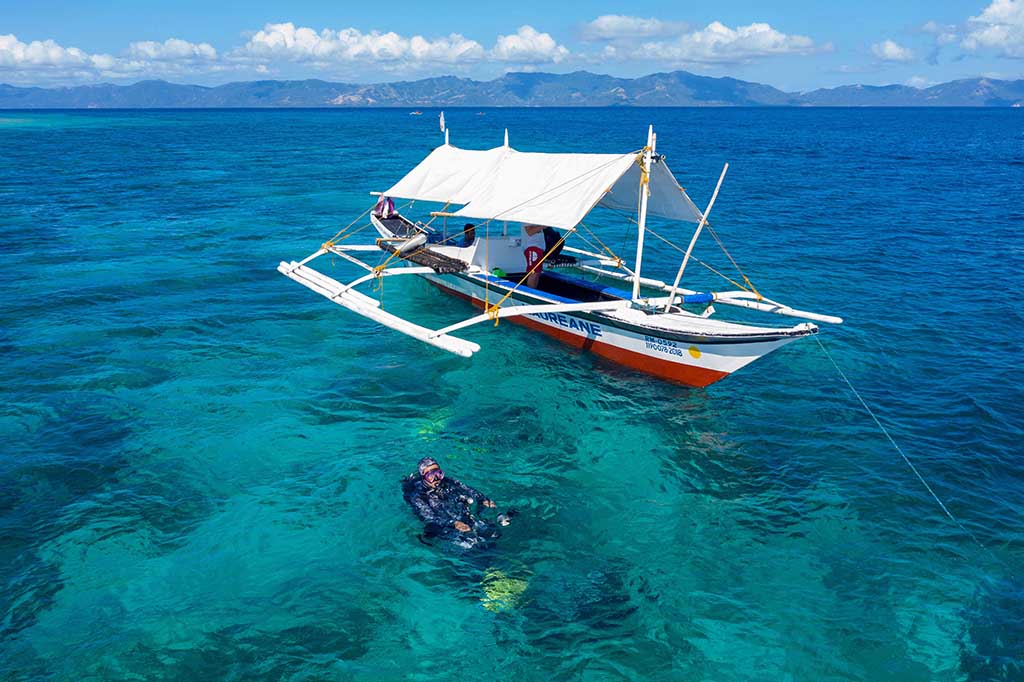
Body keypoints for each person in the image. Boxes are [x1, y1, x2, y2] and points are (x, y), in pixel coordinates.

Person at [403, 457, 508, 547]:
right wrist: (453, 523)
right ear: (424, 478)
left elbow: (467, 489)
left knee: (493, 533)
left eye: (438, 474)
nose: (436, 479)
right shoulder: (418, 495)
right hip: (440, 522)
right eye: (430, 476)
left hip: (451, 511)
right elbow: (428, 516)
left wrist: (482, 499)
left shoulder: (447, 481)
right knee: (466, 543)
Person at [521, 224, 546, 289]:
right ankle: (530, 292)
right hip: (531, 246)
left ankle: (534, 289)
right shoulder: (527, 218)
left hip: (538, 247)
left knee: (537, 272)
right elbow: (529, 232)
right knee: (533, 272)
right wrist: (543, 226)